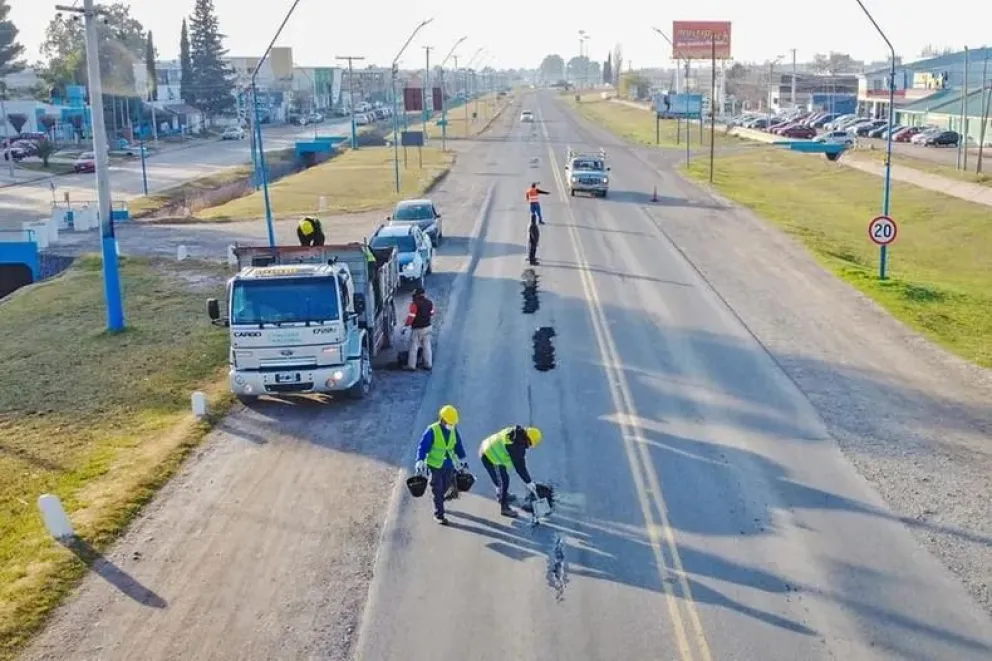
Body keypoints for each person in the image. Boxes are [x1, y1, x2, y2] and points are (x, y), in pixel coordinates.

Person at [414, 405, 468, 525]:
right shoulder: (432, 430)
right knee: (437, 489)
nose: (452, 425)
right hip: (435, 465)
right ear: (442, 420)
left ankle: (439, 500)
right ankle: (439, 514)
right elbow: (422, 447)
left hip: (449, 464)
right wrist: (420, 460)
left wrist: (462, 457)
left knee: (447, 485)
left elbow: (458, 443)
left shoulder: (453, 429)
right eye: (450, 423)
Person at [479, 425, 543, 518]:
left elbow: (520, 461)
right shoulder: (515, 446)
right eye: (530, 444)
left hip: (487, 447)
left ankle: (501, 495)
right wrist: (528, 482)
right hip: (489, 455)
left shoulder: (516, 434)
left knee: (500, 479)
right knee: (504, 481)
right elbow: (520, 466)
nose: (529, 447)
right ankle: (504, 508)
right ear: (528, 440)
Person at [403, 286, 434, 371]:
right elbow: (432, 313)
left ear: (416, 295)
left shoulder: (414, 304)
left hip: (417, 329)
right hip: (427, 327)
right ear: (423, 294)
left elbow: (411, 316)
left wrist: (405, 326)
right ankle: (428, 364)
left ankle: (411, 366)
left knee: (414, 347)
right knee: (427, 346)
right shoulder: (429, 302)